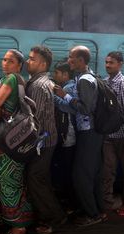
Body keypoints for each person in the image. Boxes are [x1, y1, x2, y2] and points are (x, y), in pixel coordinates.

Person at [54, 46, 104, 226]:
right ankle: (97, 209)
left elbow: (85, 108)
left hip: (89, 132)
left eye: (71, 58)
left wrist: (64, 95)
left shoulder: (84, 80)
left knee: (81, 175)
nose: (69, 61)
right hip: (90, 132)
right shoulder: (88, 77)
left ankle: (93, 214)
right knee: (92, 173)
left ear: (81, 60)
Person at [24, 45, 66, 234]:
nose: (28, 61)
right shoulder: (38, 82)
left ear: (42, 64)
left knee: (35, 178)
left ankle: (54, 217)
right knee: (41, 179)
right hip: (44, 141)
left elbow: (37, 118)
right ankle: (48, 214)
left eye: (32, 59)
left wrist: (30, 143)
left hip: (43, 142)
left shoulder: (39, 86)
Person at [0, 49, 33, 234]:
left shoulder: (11, 79)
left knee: (8, 180)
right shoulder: (15, 79)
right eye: (4, 60)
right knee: (12, 180)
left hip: (9, 140)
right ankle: (16, 218)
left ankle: (18, 225)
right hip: (14, 138)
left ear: (19, 65)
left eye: (10, 61)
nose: (5, 63)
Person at [101, 51, 124, 216]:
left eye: (112, 63)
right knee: (108, 171)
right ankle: (106, 203)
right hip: (109, 136)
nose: (108, 65)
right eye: (107, 62)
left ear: (120, 64)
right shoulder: (105, 82)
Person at [51, 60, 77, 211]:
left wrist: (52, 94)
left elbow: (68, 107)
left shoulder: (69, 87)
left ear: (65, 74)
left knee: (67, 169)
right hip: (67, 134)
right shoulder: (66, 86)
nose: (55, 76)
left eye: (57, 73)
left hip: (69, 134)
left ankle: (70, 202)